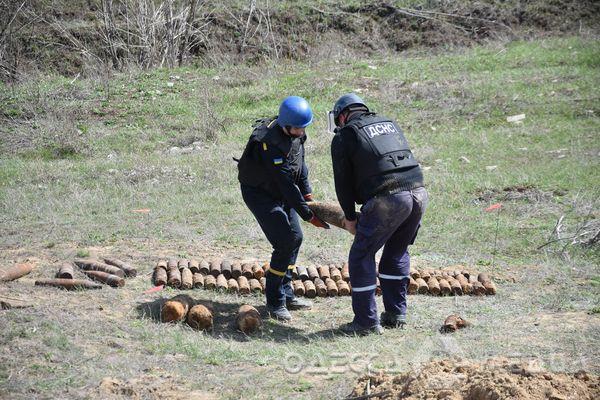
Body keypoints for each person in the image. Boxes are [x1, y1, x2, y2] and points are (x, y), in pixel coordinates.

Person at [330, 93, 428, 335]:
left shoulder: (345, 135)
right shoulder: (388, 123)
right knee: (396, 250)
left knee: (361, 254)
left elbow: (342, 182)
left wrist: (350, 217)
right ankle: (396, 314)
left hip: (390, 198)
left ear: (342, 115)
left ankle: (365, 323)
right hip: (419, 194)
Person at [237, 96, 330, 321]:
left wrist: (308, 194)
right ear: (285, 125)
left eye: (303, 128)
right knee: (284, 242)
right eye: (297, 128)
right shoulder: (269, 143)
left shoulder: (296, 132)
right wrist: (308, 215)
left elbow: (300, 164)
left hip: (279, 190)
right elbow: (286, 183)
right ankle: (275, 301)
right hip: (260, 194)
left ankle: (286, 292)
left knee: (295, 238)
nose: (301, 132)